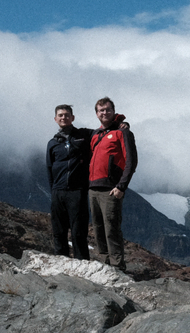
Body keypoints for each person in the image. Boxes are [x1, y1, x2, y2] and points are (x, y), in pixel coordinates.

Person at [46, 104, 129, 259]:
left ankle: (82, 264)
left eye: (67, 115)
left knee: (78, 233)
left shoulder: (84, 135)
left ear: (73, 118)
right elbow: (49, 168)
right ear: (55, 119)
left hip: (77, 192)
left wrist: (120, 123)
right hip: (58, 192)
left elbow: (104, 131)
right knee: (58, 232)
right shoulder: (52, 143)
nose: (64, 117)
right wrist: (54, 191)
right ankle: (60, 266)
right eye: (60, 115)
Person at [88, 96, 137, 268]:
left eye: (108, 109)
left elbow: (131, 161)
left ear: (113, 111)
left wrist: (121, 186)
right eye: (101, 110)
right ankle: (106, 262)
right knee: (98, 228)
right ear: (96, 114)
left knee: (111, 228)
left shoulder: (123, 132)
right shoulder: (95, 134)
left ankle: (117, 266)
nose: (105, 112)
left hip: (111, 188)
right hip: (93, 188)